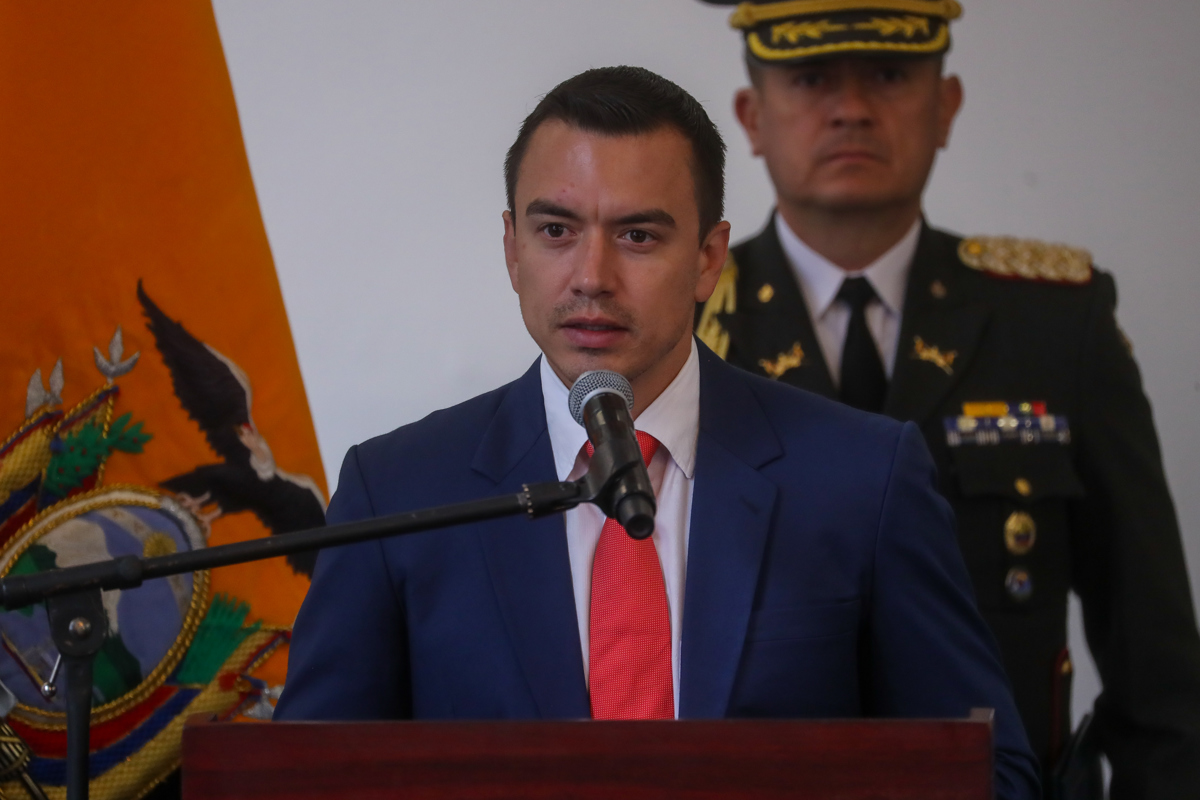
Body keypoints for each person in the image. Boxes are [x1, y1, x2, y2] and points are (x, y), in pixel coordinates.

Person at [274, 65, 1039, 798]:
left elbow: (989, 775)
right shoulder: (399, 490)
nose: (591, 276)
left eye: (638, 236)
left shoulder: (862, 478)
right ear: (513, 249)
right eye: (556, 230)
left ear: (708, 259)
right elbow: (301, 784)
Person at [694, 2, 1200, 796]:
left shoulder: (1058, 324)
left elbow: (1158, 669)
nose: (852, 108)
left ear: (947, 106)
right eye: (812, 78)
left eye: (891, 75)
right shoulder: (685, 327)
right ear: (752, 118)